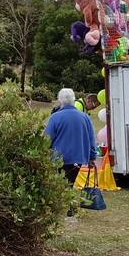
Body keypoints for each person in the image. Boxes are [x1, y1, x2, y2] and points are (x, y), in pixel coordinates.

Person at [44, 88, 98, 216]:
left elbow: (47, 139)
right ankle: (70, 209)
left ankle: (59, 208)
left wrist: (42, 153)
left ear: (59, 101)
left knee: (58, 183)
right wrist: (92, 157)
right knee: (69, 183)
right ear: (74, 99)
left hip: (58, 157)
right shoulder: (85, 117)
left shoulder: (55, 117)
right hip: (77, 158)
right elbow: (91, 140)